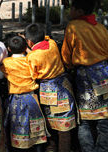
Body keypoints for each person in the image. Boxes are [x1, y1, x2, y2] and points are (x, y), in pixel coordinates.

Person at [61, 0, 108, 152]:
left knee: (84, 118)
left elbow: (66, 53)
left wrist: (68, 66)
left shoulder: (73, 26)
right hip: (105, 73)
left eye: (72, 8)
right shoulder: (100, 27)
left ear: (78, 11)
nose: (70, 11)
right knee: (105, 117)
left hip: (85, 77)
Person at [25, 23, 77, 152]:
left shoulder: (32, 56)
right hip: (63, 89)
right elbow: (46, 40)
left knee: (49, 128)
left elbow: (32, 75)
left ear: (29, 42)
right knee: (64, 129)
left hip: (47, 92)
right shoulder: (52, 44)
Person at [1, 35, 47, 151]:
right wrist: (27, 49)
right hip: (32, 99)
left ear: (9, 49)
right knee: (35, 129)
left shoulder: (7, 62)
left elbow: (0, 75)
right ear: (25, 46)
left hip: (15, 101)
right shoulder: (30, 59)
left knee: (17, 128)